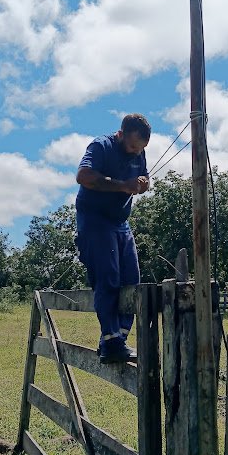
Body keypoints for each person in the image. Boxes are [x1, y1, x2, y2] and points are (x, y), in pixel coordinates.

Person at [75, 113, 151, 363]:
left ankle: (116, 340)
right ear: (120, 134)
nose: (135, 152)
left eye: (140, 149)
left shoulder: (139, 152)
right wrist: (122, 185)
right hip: (95, 220)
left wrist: (142, 184)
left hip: (120, 222)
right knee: (108, 278)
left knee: (131, 279)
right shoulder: (101, 146)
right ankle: (111, 341)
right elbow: (83, 176)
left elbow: (142, 180)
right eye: (132, 147)